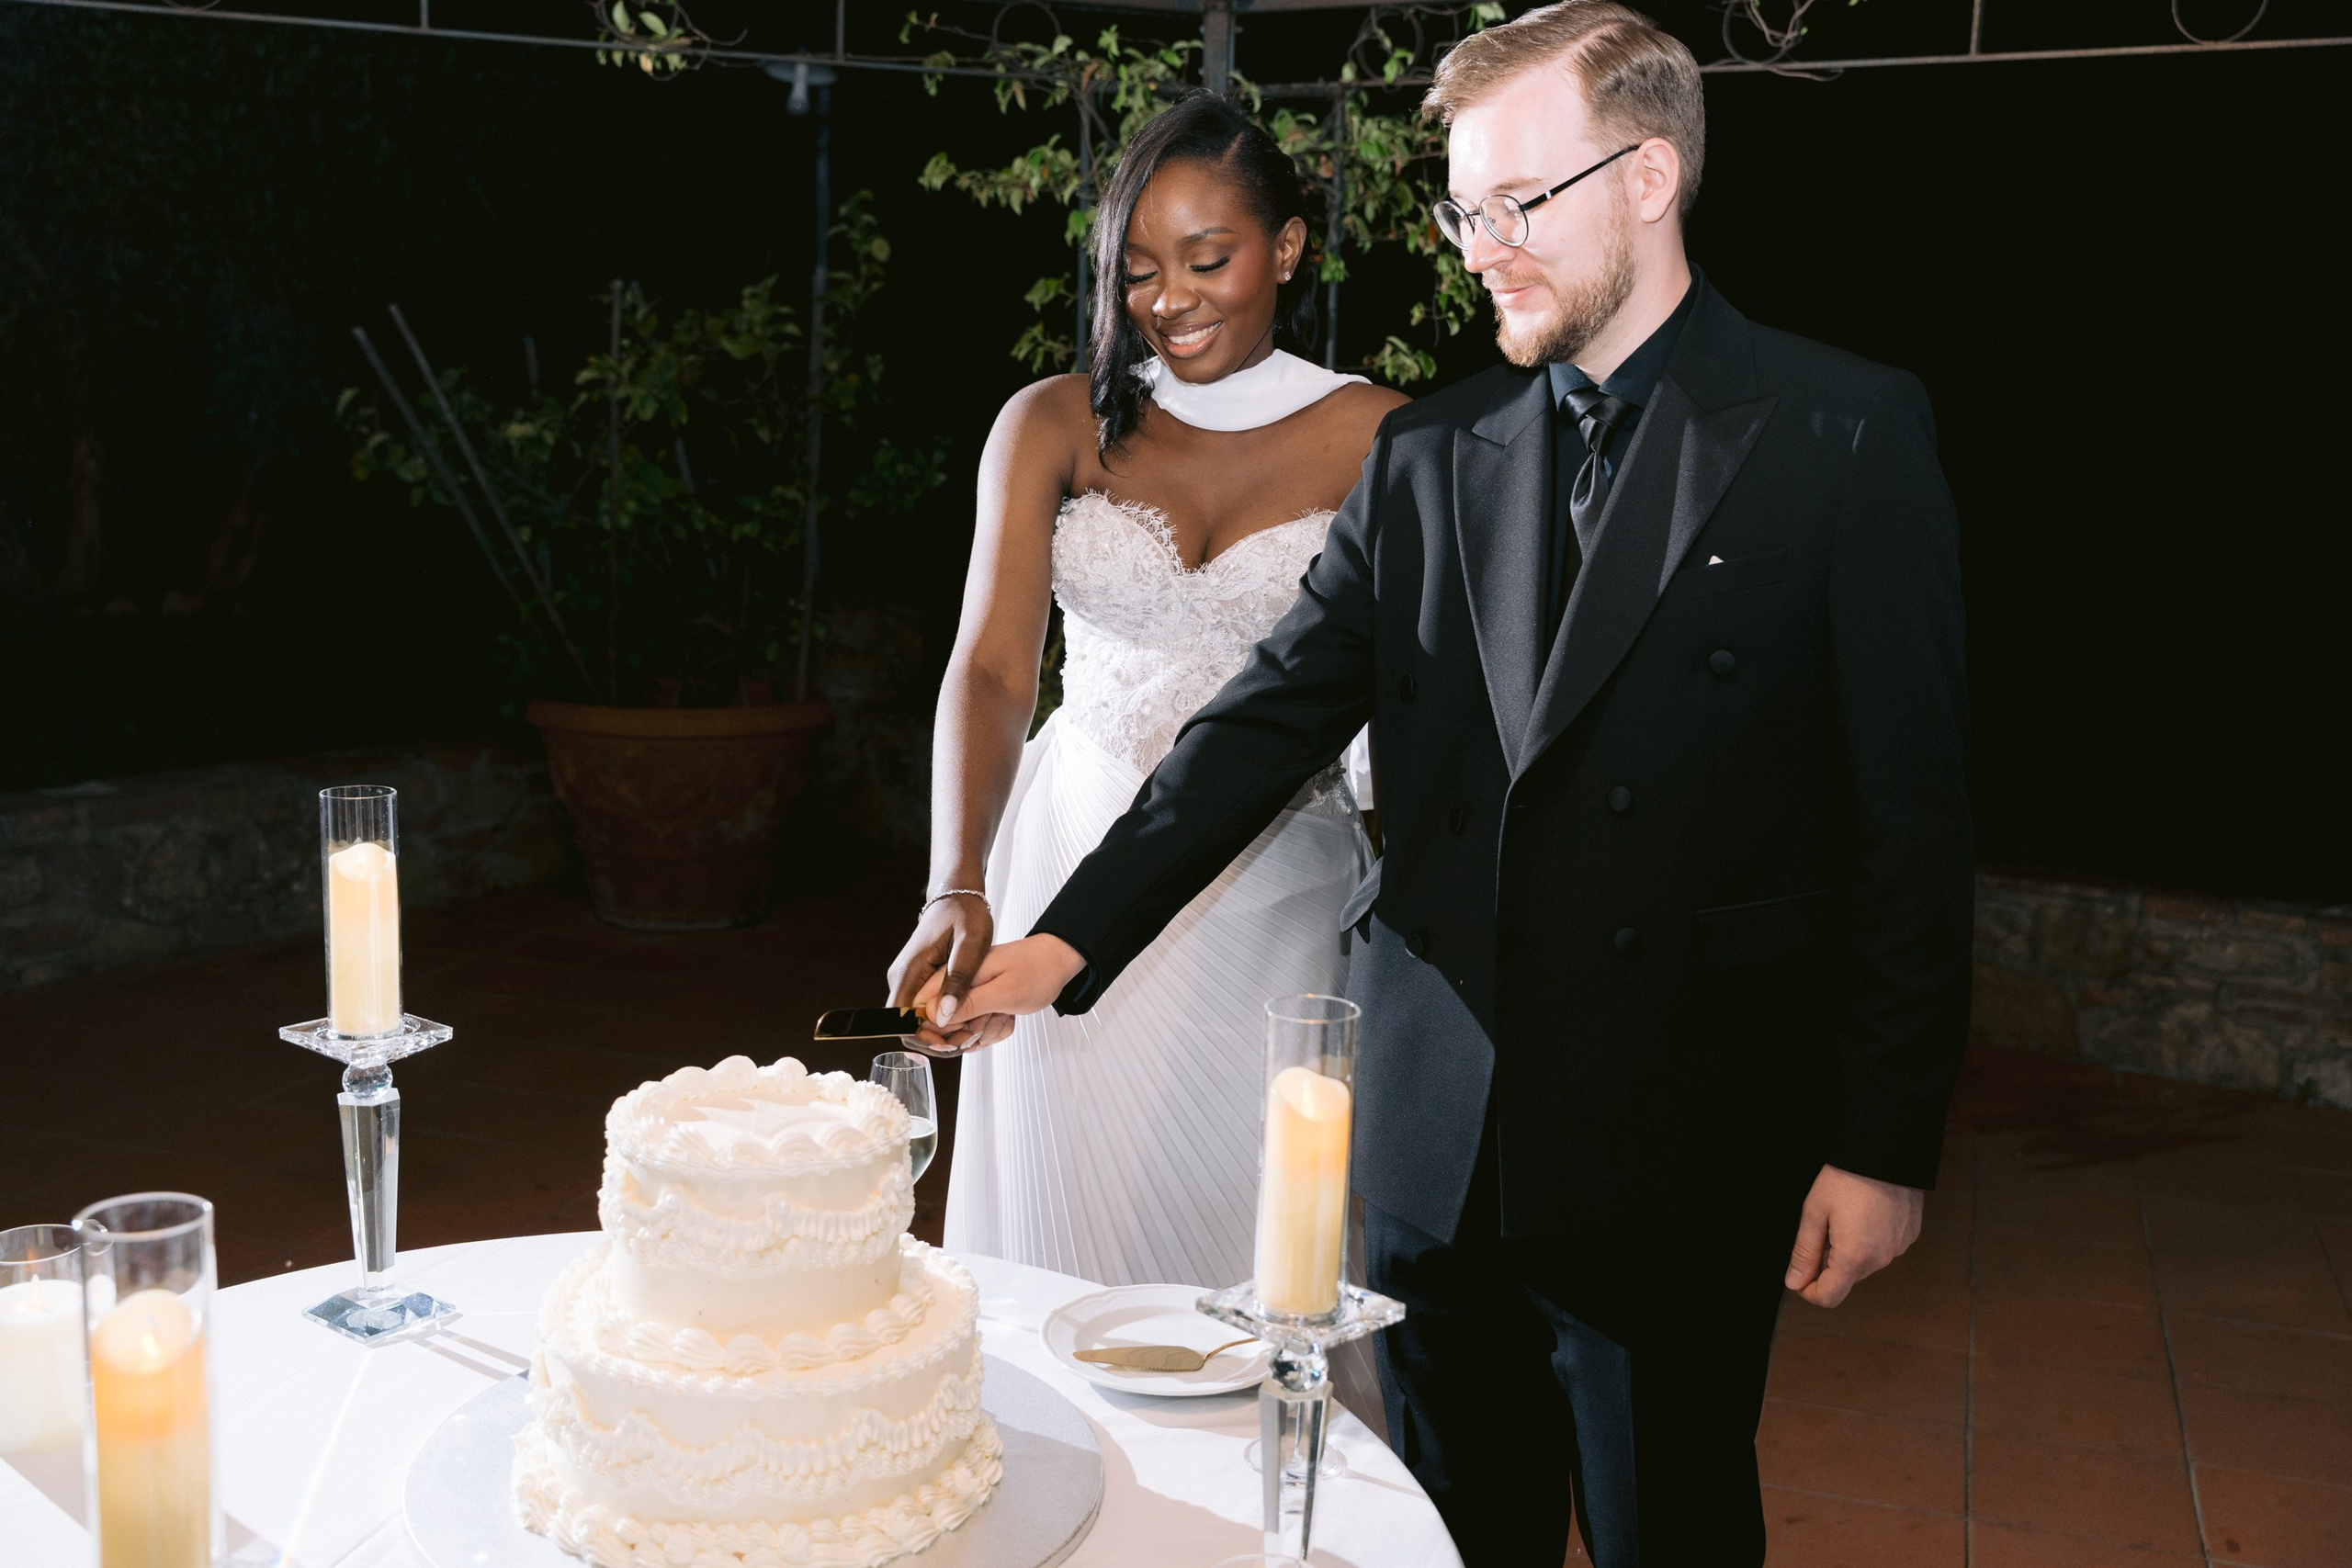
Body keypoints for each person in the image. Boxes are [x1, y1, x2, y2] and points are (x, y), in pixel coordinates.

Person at [956, 6, 1974, 1565]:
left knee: (1672, 1534)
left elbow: (1913, 823)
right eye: (1463, 211)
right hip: (1435, 1139)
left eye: (1517, 204)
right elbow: (1259, 727)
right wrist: (1061, 942)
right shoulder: (1433, 452)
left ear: (1649, 179)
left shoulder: (1844, 431)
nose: (1481, 248)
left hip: (1680, 1138)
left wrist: (1882, 1139)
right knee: (1447, 1537)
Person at [886, 91, 1407, 1291]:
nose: (1169, 299)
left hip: (1278, 882)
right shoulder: (1052, 422)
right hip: (1066, 853)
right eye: (1138, 270)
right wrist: (956, 878)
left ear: (1287, 247)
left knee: (1258, 1233)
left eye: (1208, 260)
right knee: (1063, 1234)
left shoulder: (1386, 439)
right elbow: (992, 668)